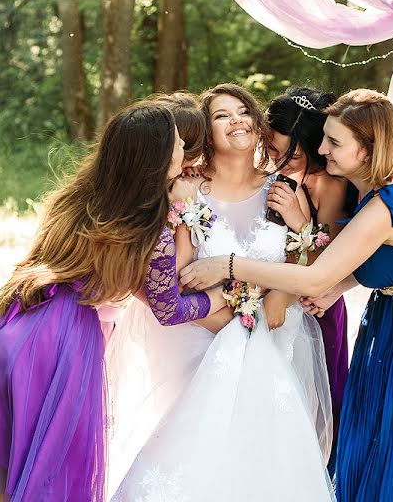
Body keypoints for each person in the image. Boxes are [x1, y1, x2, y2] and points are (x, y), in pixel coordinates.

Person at [181, 88, 393, 502]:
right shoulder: (368, 187)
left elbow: (317, 275)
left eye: (335, 142)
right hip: (391, 312)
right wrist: (342, 285)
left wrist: (228, 265)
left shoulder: (389, 203)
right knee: (367, 429)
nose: (322, 149)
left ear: (370, 150)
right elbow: (378, 258)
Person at [0, 102, 224, 502]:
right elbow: (167, 307)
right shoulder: (150, 229)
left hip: (2, 324)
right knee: (51, 479)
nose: (183, 146)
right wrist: (216, 297)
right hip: (57, 341)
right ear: (158, 159)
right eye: (176, 141)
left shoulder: (78, 198)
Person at [109, 84, 334, 502]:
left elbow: (303, 263)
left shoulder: (284, 191)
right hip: (201, 339)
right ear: (206, 132)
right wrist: (233, 325)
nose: (237, 121)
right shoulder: (190, 193)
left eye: (243, 111)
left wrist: (299, 225)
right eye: (221, 115)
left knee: (263, 451)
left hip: (275, 337)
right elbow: (177, 280)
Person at [264, 85, 353, 472]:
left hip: (316, 307)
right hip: (268, 303)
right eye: (272, 152)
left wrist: (301, 222)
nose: (280, 163)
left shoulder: (328, 185)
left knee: (317, 403)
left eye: (293, 156)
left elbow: (332, 263)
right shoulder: (271, 176)